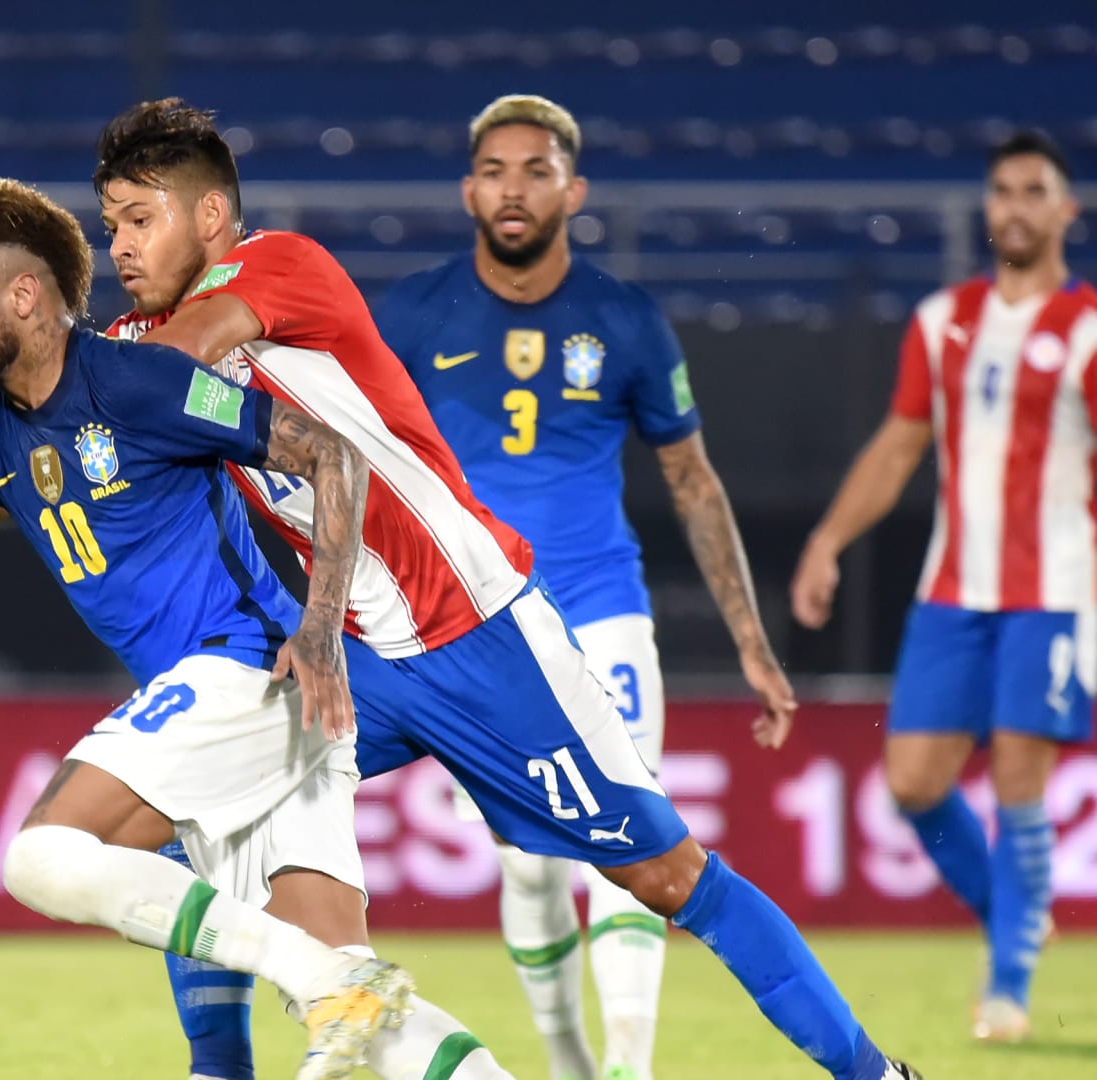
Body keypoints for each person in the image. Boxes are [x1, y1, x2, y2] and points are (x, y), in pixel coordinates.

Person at [97, 98, 919, 1080]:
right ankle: (220, 1069)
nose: (120, 245)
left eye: (139, 218)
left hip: (481, 633)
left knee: (668, 877)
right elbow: (90, 439)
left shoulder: (277, 266)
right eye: (109, 225)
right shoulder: (138, 334)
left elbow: (160, 369)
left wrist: (58, 377)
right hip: (362, 659)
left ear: (211, 216)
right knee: (185, 807)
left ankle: (877, 1076)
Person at [0, 176, 504, 1080]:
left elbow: (328, 453)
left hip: (250, 673)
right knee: (367, 1015)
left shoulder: (136, 380)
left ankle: (322, 981)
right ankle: (341, 988)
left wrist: (319, 629)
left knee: (42, 857)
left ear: (22, 295)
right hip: (252, 714)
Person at [373, 93, 797, 1080]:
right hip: (478, 627)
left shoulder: (626, 319)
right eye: (495, 171)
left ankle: (628, 1070)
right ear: (468, 192)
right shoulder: (411, 314)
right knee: (529, 866)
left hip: (603, 614)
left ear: (575, 190)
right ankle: (569, 1063)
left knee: (632, 841)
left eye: (537, 170)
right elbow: (362, 460)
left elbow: (693, 480)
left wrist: (751, 640)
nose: (514, 189)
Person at [791, 129, 1095, 1044]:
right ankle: (1014, 915)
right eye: (1002, 190)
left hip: (1054, 589)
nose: (1015, 206)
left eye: (1033, 191)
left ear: (1066, 211)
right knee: (913, 781)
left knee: (1017, 781)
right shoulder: (942, 320)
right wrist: (827, 541)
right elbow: (899, 446)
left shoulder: (1087, 328)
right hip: (953, 590)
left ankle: (1007, 988)